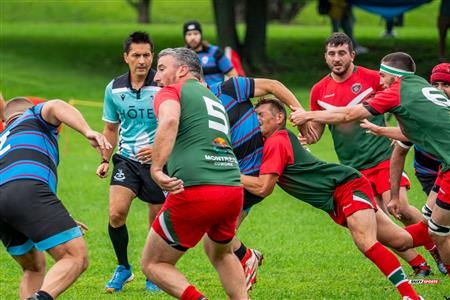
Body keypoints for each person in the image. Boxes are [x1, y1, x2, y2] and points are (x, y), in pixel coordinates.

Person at [244, 98, 434, 299]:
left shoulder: (277, 141)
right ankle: (439, 229)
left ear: (279, 117)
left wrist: (229, 176)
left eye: (260, 114)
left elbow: (264, 188)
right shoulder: (273, 140)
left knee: (365, 242)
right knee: (401, 240)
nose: (256, 119)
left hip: (345, 186)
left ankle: (411, 296)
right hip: (336, 197)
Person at [290, 52, 450, 276]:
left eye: (383, 76)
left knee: (438, 231)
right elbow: (409, 134)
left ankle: (426, 251)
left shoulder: (396, 91)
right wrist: (381, 130)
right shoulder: (419, 85)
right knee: (433, 227)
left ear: (395, 76)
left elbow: (348, 114)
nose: (380, 81)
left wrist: (308, 115)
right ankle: (419, 260)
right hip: (438, 167)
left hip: (425, 165)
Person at [140, 47, 248, 300]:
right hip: (232, 188)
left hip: (197, 189)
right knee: (221, 253)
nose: (156, 77)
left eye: (162, 68)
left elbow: (169, 121)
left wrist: (156, 169)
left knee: (153, 264)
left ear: (182, 70)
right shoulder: (211, 97)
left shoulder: (172, 91)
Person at [0, 98, 111, 300]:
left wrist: (58, 217)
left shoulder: (4, 138)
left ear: (5, 123)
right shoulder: (33, 116)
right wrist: (87, 131)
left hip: (8, 202)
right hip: (26, 190)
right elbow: (56, 105)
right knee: (75, 256)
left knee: (33, 267)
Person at [209, 76, 304, 290]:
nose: (256, 119)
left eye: (260, 114)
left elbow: (274, 85)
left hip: (245, 182)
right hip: (238, 181)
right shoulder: (190, 107)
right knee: (217, 243)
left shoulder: (229, 88)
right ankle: (245, 263)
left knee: (216, 233)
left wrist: (302, 115)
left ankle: (246, 259)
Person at [96, 31, 165, 293]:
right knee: (116, 214)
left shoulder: (163, 87)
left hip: (158, 162)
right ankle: (124, 268)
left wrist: (159, 148)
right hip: (126, 160)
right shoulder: (114, 88)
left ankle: (153, 270)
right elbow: (111, 128)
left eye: (147, 55)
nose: (142, 60)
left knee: (156, 221)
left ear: (152, 56)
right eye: (136, 55)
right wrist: (105, 158)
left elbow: (175, 124)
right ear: (126, 57)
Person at [183, 20, 238, 86]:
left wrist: (225, 90)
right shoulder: (182, 56)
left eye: (196, 33)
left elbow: (233, 74)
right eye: (189, 34)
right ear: (185, 37)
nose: (193, 37)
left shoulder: (215, 52)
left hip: (215, 94)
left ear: (201, 35)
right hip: (193, 95)